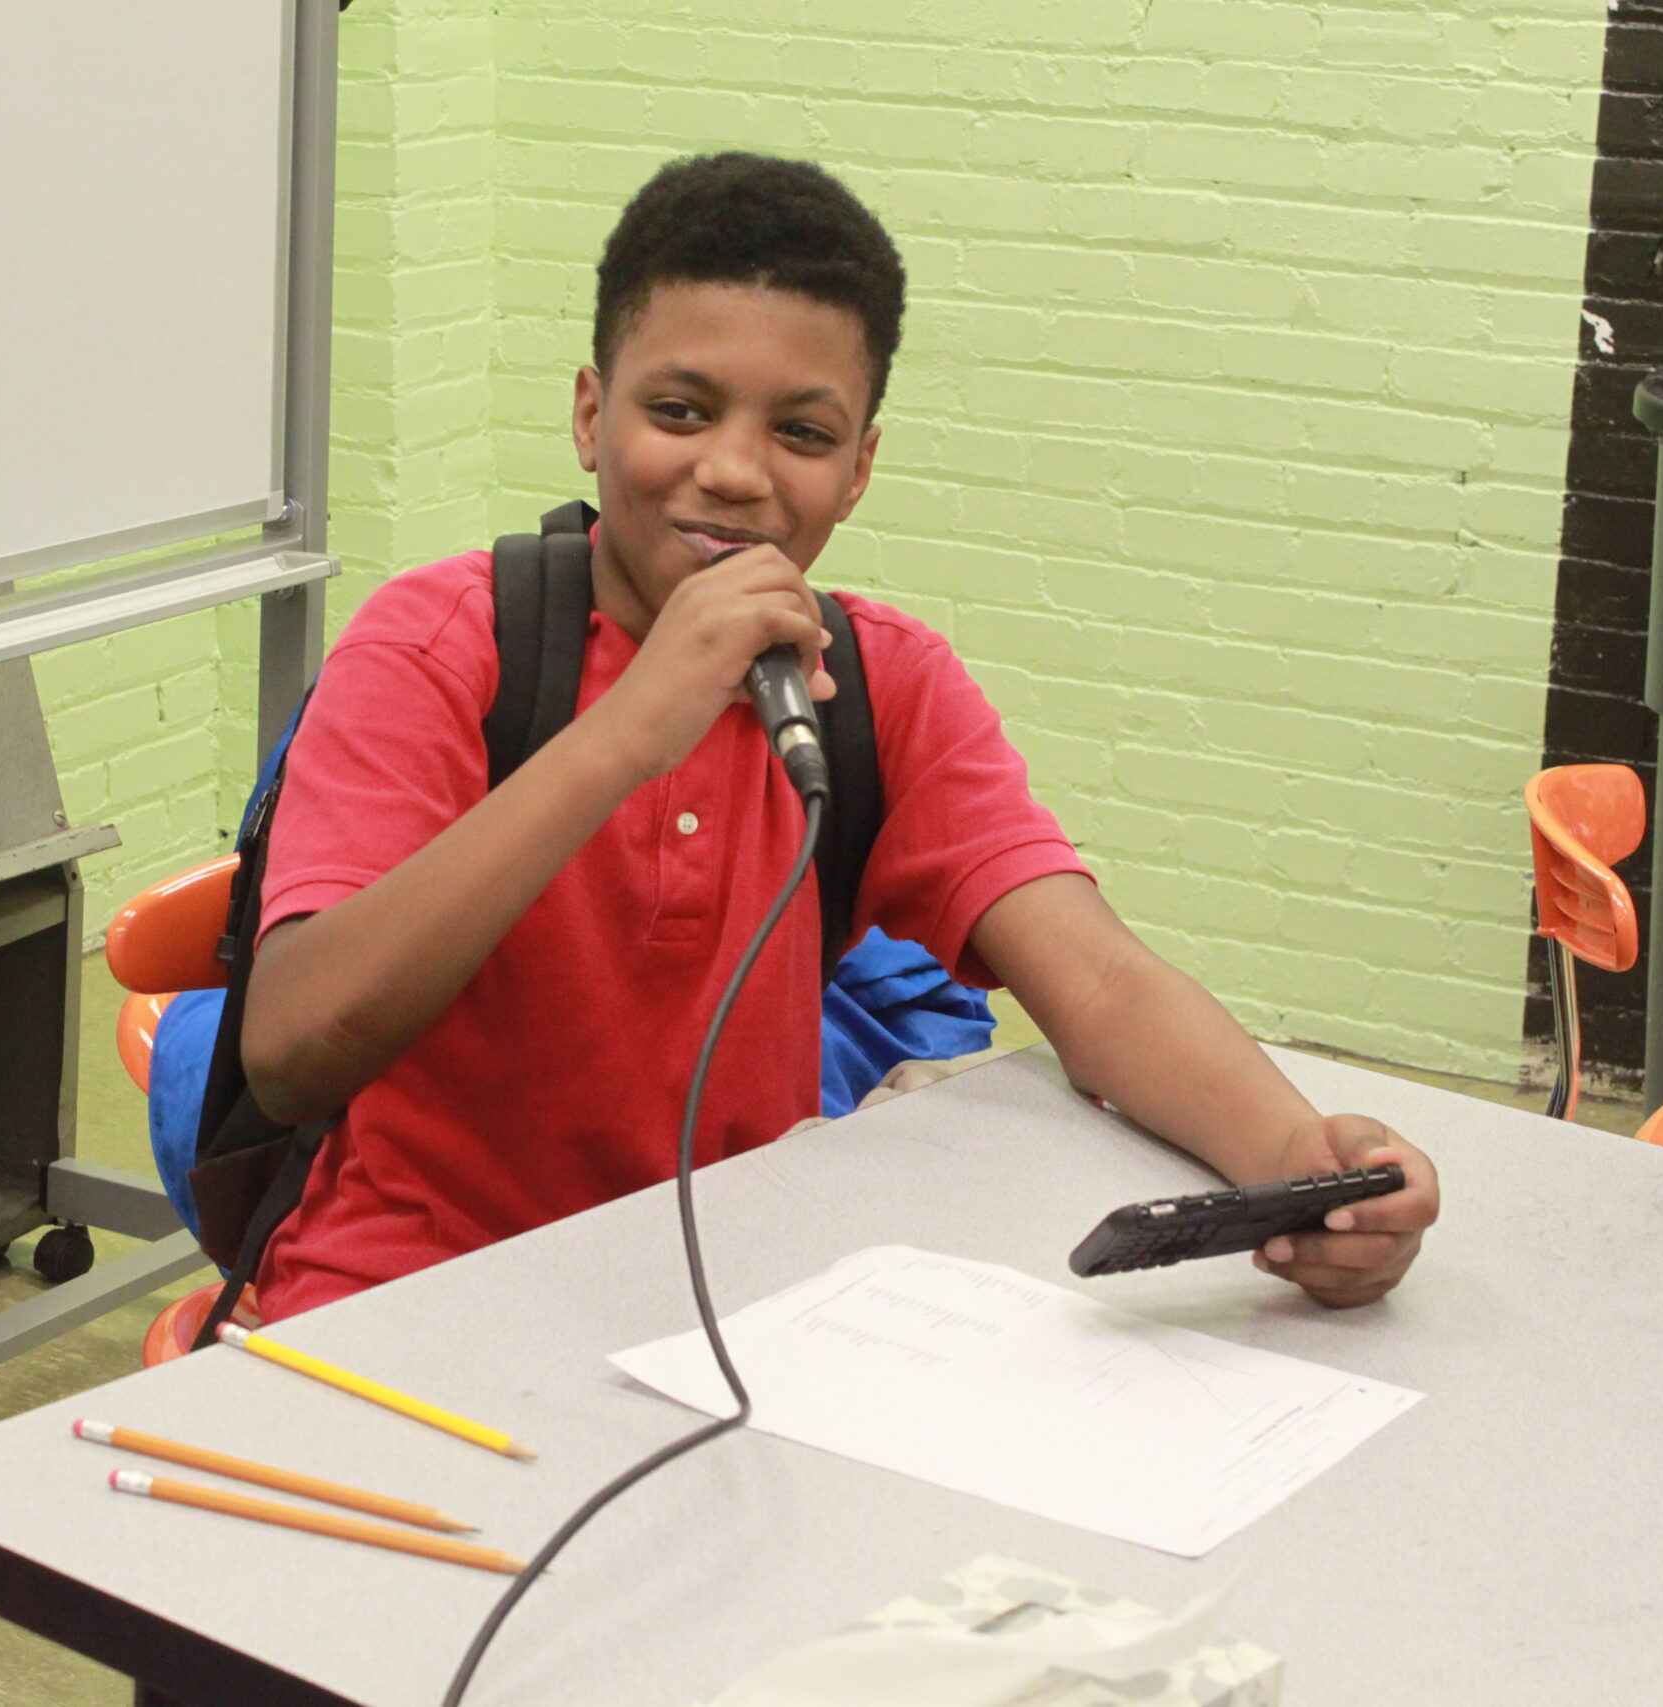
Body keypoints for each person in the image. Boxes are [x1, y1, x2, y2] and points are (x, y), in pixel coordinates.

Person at [239, 152, 1439, 1319]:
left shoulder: (878, 684)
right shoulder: (441, 646)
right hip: (409, 1305)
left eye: (803, 436)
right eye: (677, 410)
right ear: (590, 414)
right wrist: (626, 733)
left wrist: (1304, 1161)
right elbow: (295, 1049)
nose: (733, 470)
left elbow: (1103, 984)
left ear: (859, 470)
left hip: (734, 1299)